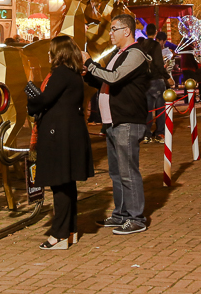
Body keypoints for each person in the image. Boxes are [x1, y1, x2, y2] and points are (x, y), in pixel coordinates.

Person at [82, 13, 151, 235]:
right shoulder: (118, 54)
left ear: (127, 31)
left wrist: (90, 63)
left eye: (114, 29)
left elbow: (114, 78)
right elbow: (106, 80)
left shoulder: (135, 54)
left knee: (128, 171)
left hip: (127, 120)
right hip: (113, 121)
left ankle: (136, 218)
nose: (110, 33)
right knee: (117, 172)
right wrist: (88, 73)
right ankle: (121, 214)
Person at [27, 35, 94, 249]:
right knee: (67, 185)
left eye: (51, 50)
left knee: (60, 185)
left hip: (60, 137)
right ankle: (69, 230)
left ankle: (60, 235)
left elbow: (45, 99)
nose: (49, 54)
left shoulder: (61, 73)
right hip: (68, 134)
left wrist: (31, 99)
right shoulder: (72, 73)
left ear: (59, 53)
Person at [141, 23, 171, 144]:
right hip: (156, 79)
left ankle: (146, 134)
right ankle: (159, 133)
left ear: (146, 32)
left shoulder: (141, 45)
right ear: (156, 32)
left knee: (148, 109)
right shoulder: (156, 45)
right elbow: (159, 64)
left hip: (146, 81)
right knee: (160, 109)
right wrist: (167, 77)